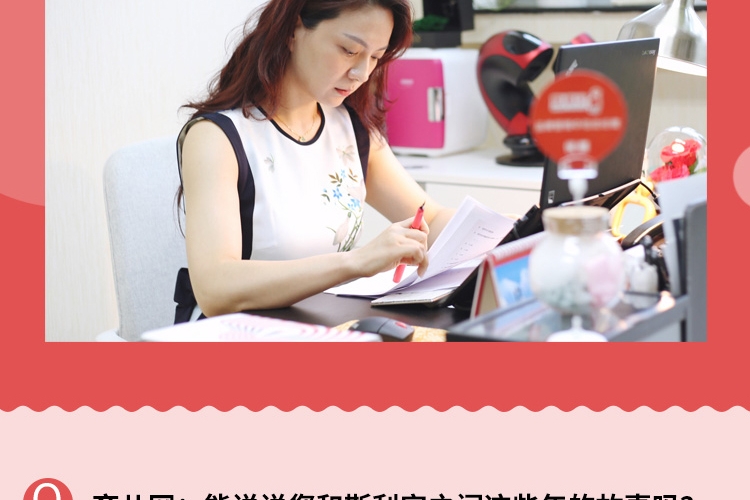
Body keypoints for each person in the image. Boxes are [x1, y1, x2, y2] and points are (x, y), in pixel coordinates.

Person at [173, 0, 456, 322]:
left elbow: (431, 219)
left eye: (375, 57)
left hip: (322, 325)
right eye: (349, 50)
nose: (362, 73)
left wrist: (501, 237)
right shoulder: (218, 137)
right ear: (293, 30)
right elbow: (215, 290)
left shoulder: (351, 129)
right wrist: (358, 262)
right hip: (239, 334)